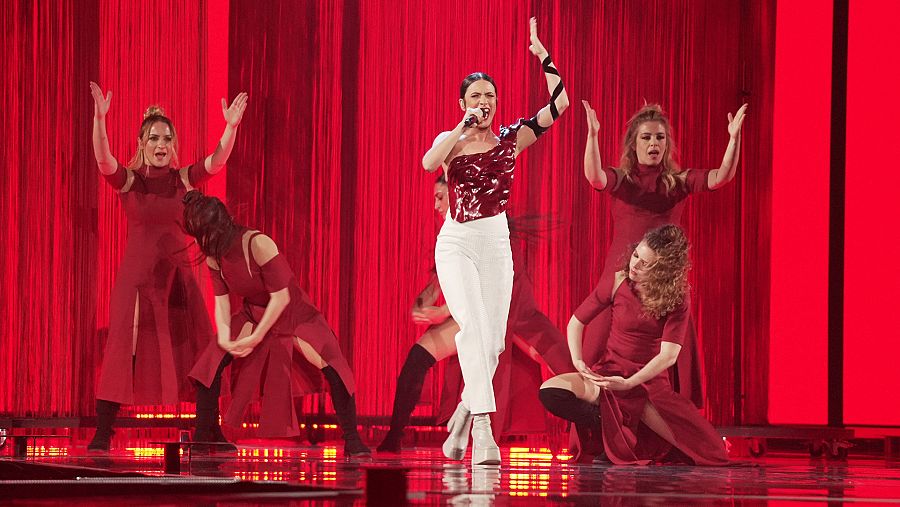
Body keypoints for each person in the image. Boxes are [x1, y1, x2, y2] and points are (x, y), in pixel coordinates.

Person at [421, 17, 569, 465]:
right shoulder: (450, 141)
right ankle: (484, 429)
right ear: (463, 102)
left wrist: (543, 56)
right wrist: (460, 127)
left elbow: (558, 105)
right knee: (473, 329)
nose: (484, 102)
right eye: (476, 96)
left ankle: (466, 410)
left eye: (490, 96)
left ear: (498, 104)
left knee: (494, 344)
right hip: (458, 243)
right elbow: (429, 163)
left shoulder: (510, 140)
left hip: (495, 242)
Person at [87, 81, 248, 452]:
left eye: (167, 139)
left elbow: (217, 161)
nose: (161, 145)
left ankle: (208, 430)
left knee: (204, 351)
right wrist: (100, 119)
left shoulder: (183, 180)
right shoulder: (131, 182)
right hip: (138, 281)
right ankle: (103, 431)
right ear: (142, 144)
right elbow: (103, 160)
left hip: (178, 279)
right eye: (154, 138)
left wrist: (231, 127)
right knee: (121, 351)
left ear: (173, 146)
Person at [376, 174, 574, 454]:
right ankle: (394, 437)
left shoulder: (487, 228)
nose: (436, 205)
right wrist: (422, 304)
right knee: (417, 357)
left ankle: (591, 430)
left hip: (507, 311)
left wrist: (442, 311)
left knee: (562, 365)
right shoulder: (452, 229)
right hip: (472, 311)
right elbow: (438, 280)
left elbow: (487, 283)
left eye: (440, 197)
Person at [578, 101, 747, 410]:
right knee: (595, 360)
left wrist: (733, 139)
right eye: (646, 137)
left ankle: (666, 436)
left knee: (663, 365)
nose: (654, 143)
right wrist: (592, 136)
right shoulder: (624, 181)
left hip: (661, 290)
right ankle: (597, 435)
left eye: (660, 137)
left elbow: (721, 177)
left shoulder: (677, 182)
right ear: (634, 143)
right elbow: (596, 178)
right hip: (619, 281)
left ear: (667, 144)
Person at [183, 191, 370, 456]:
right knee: (210, 362)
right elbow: (222, 301)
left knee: (332, 362)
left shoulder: (257, 243)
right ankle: (206, 434)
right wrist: (224, 337)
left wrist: (256, 337)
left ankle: (353, 440)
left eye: (206, 235)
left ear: (221, 226)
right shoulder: (213, 254)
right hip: (254, 313)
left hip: (293, 312)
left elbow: (281, 296)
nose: (203, 243)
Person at [539, 225, 729, 465]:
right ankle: (614, 426)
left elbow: (668, 356)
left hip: (646, 383)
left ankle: (625, 432)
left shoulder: (677, 297)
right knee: (551, 392)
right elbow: (576, 322)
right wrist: (578, 362)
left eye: (645, 263)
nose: (634, 264)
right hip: (609, 373)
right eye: (636, 255)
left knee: (707, 453)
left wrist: (629, 383)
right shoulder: (619, 281)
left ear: (662, 270)